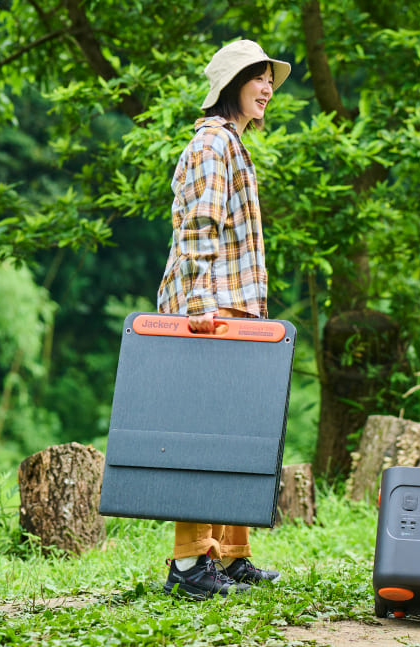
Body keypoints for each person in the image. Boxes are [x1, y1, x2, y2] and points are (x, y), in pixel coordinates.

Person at [154, 38, 290, 600]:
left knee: (235, 438)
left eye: (269, 79)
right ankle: (190, 564)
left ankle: (230, 556)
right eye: (257, 78)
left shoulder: (232, 145)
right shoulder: (213, 144)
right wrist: (198, 308)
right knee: (204, 439)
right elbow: (198, 229)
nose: (267, 88)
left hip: (235, 310)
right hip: (211, 311)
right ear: (231, 85)